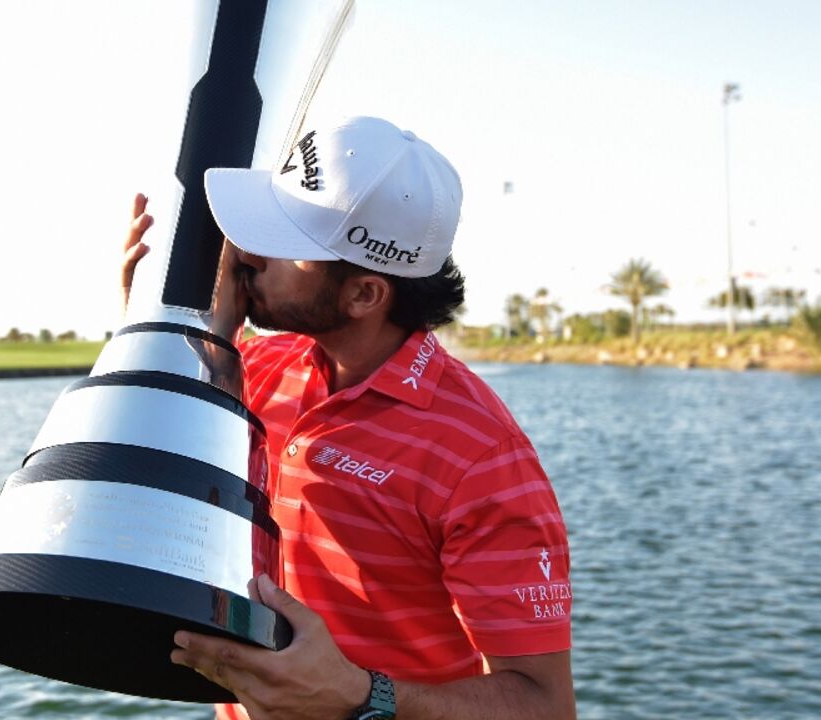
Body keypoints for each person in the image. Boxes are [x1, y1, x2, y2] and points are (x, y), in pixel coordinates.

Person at [121, 117, 575, 720]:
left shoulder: (481, 458)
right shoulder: (254, 365)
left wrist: (362, 695)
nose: (249, 254)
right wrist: (169, 329)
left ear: (364, 295)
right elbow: (164, 495)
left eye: (287, 245)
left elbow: (544, 706)